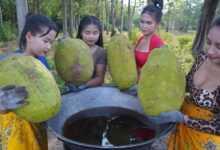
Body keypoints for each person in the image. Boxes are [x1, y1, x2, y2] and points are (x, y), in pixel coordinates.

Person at [150, 16, 220, 149]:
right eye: (208, 42)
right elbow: (185, 86)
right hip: (181, 127)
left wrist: (186, 119)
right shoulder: (202, 57)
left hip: (205, 141)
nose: (210, 51)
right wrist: (153, 87)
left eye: (219, 46)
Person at [0, 13, 59, 150]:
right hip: (15, 125)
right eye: (45, 41)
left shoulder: (42, 62)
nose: (49, 47)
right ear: (29, 36)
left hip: (37, 122)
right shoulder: (8, 62)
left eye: (51, 42)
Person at [127, 0, 165, 96]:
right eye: (142, 22)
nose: (144, 26)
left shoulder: (158, 44)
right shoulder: (141, 39)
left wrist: (142, 86)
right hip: (134, 86)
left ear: (157, 24)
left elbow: (161, 72)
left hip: (149, 90)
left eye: (149, 23)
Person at [65, 15, 107, 92]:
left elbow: (100, 78)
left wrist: (83, 86)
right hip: (72, 90)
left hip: (93, 91)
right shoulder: (72, 48)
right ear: (81, 32)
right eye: (87, 33)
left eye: (95, 33)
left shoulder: (101, 52)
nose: (91, 36)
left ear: (99, 33)